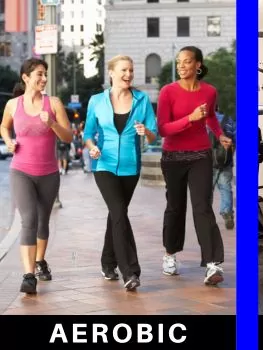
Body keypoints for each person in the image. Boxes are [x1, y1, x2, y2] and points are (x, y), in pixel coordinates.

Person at [157, 46, 232, 285]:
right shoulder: (167, 92)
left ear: (198, 65)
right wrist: (189, 119)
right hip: (173, 157)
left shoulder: (209, 91)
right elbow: (163, 128)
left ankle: (212, 264)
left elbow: (210, 116)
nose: (181, 66)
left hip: (201, 154)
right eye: (179, 62)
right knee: (175, 208)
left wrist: (219, 134)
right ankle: (170, 254)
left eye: (187, 62)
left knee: (203, 207)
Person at [83, 55, 158, 291]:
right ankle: (130, 272)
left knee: (117, 214)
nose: (129, 74)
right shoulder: (96, 101)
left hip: (130, 167)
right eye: (124, 70)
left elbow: (154, 134)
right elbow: (87, 135)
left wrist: (145, 130)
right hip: (103, 165)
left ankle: (107, 263)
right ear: (112, 73)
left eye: (131, 70)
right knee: (118, 211)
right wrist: (92, 147)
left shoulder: (141, 99)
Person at [0, 58, 73, 294]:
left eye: (45, 74)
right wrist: (9, 141)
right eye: (39, 74)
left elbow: (68, 138)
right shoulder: (13, 104)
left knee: (43, 221)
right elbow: (3, 126)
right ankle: (29, 275)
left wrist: (51, 122)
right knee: (28, 220)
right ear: (26, 77)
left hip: (49, 173)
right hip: (20, 170)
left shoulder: (54, 103)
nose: (43, 79)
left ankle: (40, 261)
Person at [210, 107, 236, 229]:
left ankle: (205, 215)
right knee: (225, 187)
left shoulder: (202, 120)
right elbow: (235, 138)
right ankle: (227, 212)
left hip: (207, 161)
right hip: (225, 160)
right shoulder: (227, 119)